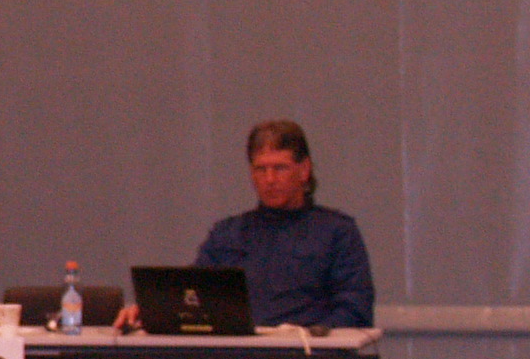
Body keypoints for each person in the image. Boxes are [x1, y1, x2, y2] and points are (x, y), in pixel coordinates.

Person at [142, 118, 375, 331]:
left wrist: (315, 334)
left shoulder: (337, 233)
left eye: (280, 168)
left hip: (309, 354)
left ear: (304, 170)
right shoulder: (227, 235)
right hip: (239, 356)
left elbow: (355, 308)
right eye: (261, 169)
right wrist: (147, 311)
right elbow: (191, 296)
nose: (270, 179)